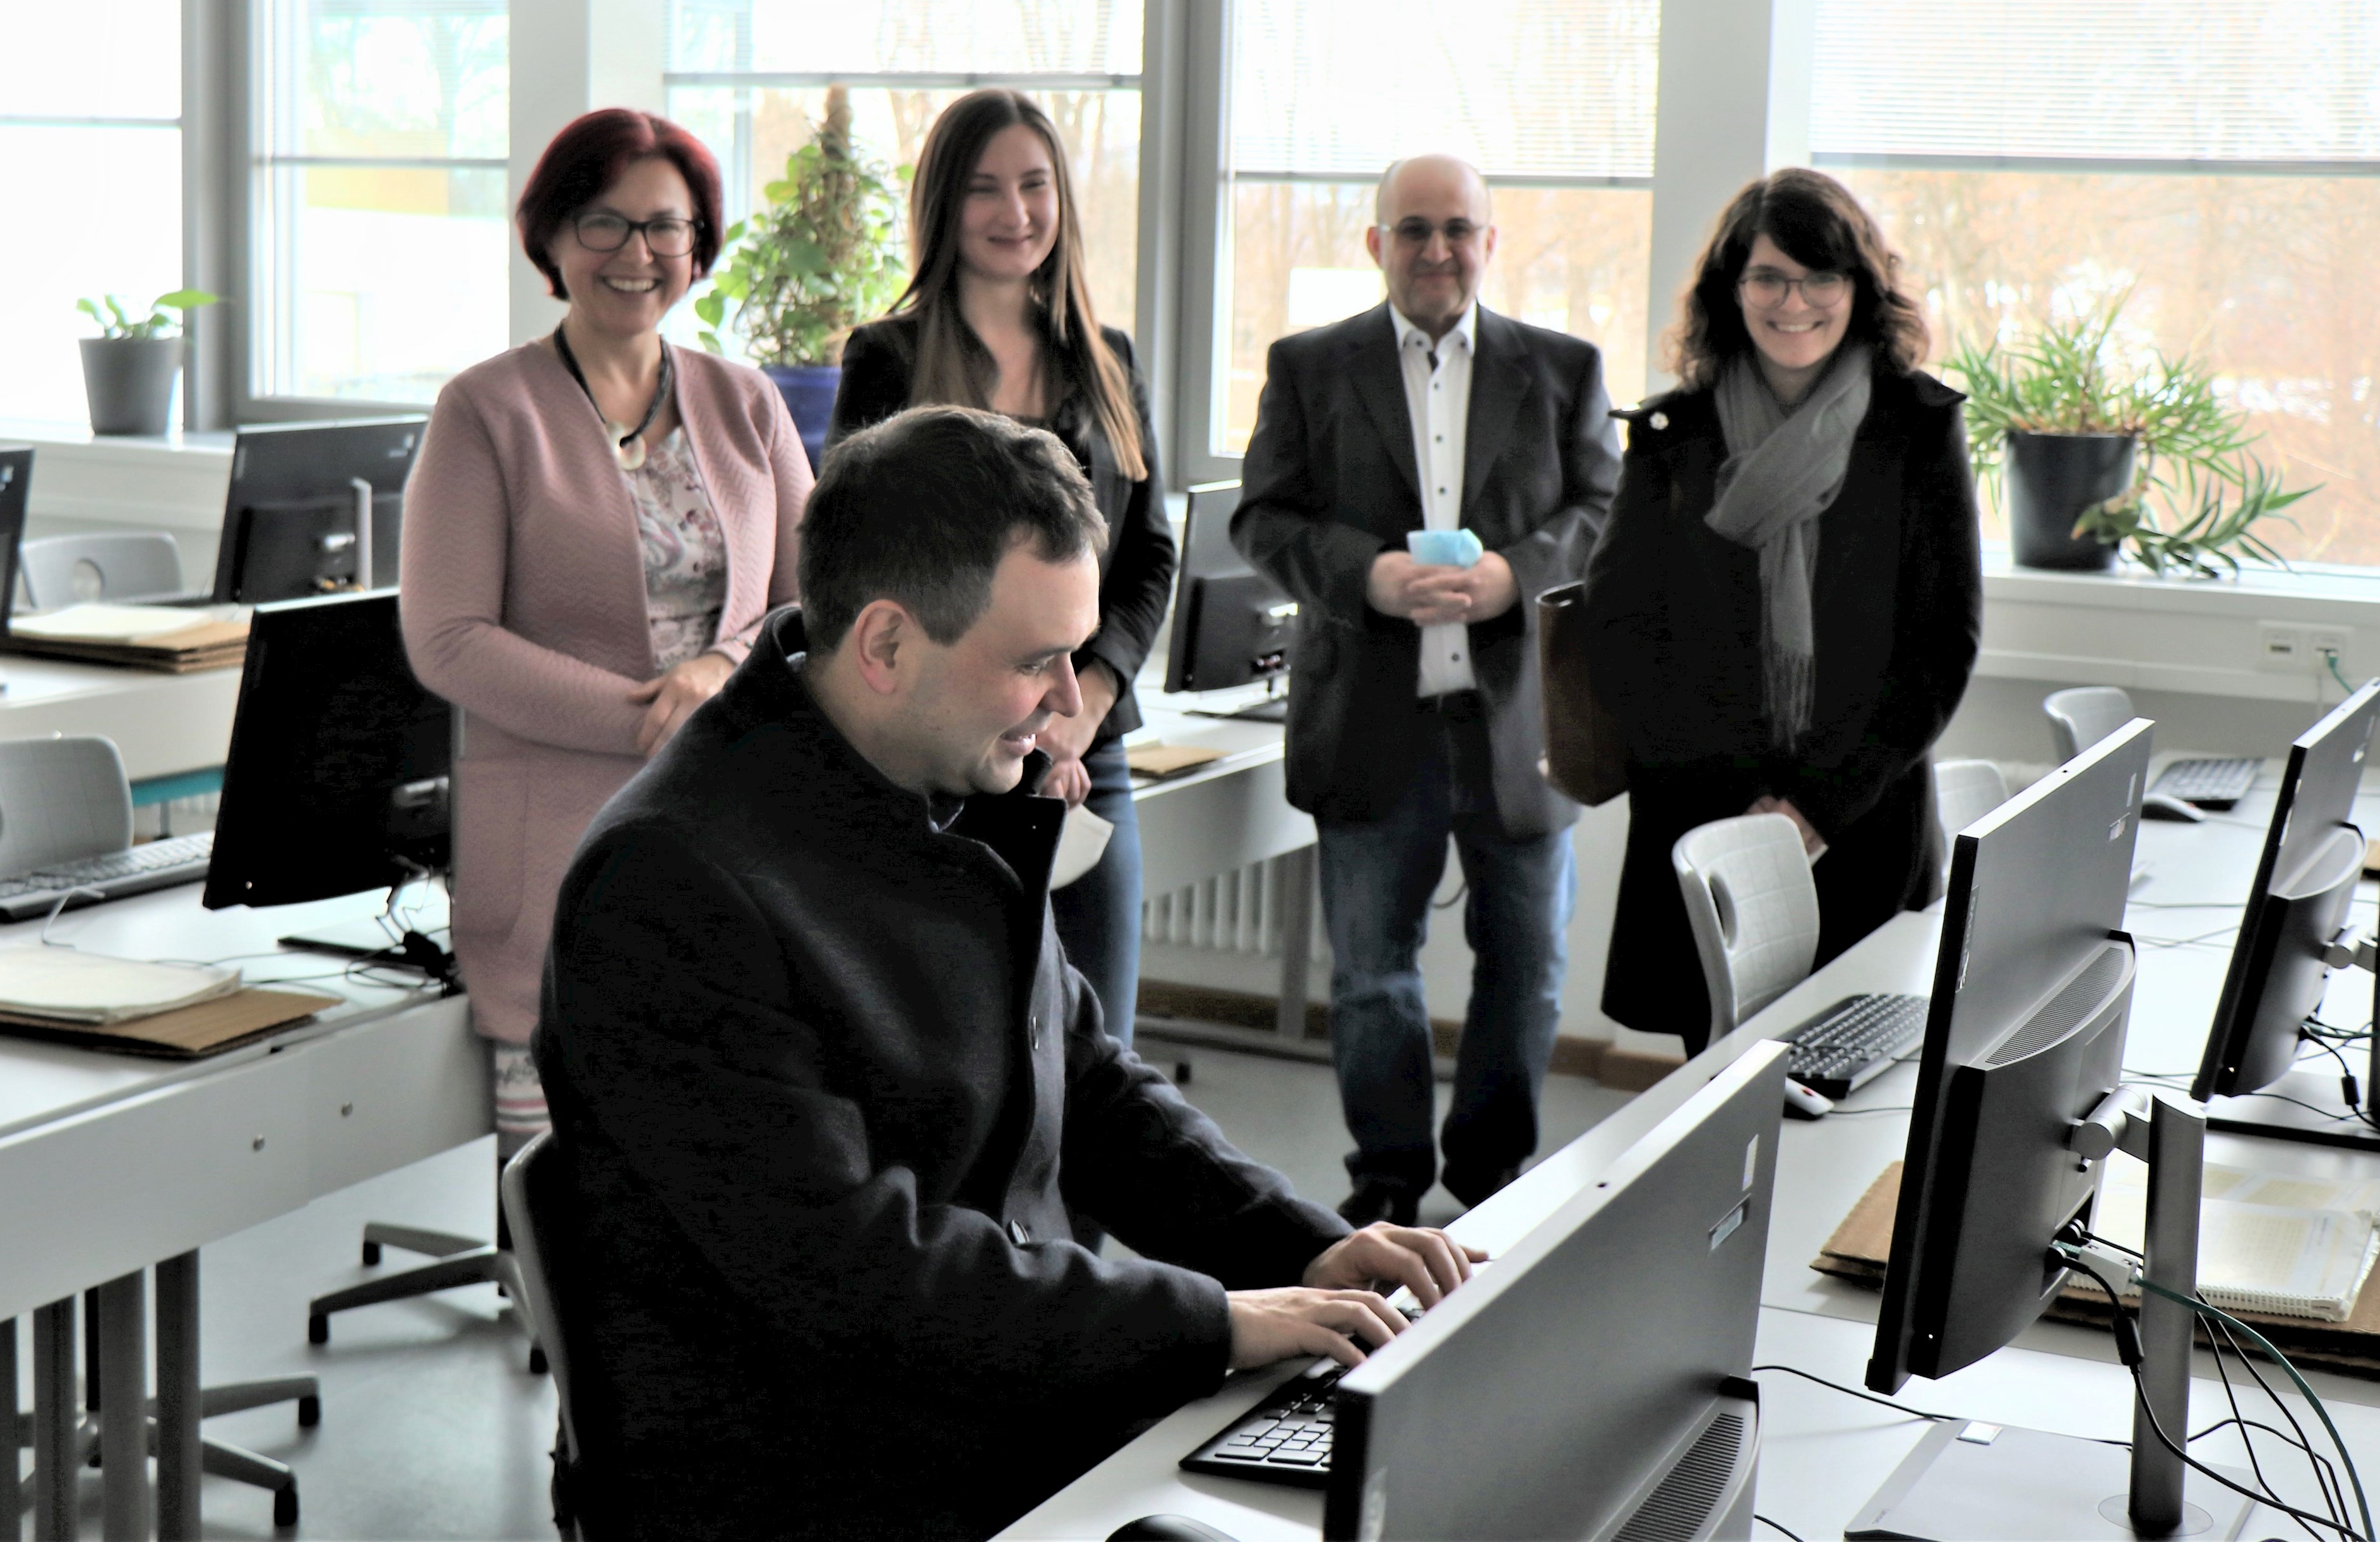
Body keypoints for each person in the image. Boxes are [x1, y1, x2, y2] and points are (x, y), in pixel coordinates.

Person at [533, 406, 1484, 1542]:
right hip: (813, 1472)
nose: (1073, 704)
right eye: (1038, 662)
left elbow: (1082, 1075)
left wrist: (1300, 1244)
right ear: (884, 645)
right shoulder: (672, 884)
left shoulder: (933, 773)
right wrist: (1213, 1322)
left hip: (995, 1391)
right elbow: (855, 1275)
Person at [400, 109, 808, 1151]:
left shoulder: (746, 402)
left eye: (665, 227)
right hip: (554, 852)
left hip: (737, 840)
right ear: (551, 236)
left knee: (722, 1166)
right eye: (604, 223)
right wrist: (650, 723)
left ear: (699, 245)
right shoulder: (485, 410)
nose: (638, 254)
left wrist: (719, 669)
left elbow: (817, 606)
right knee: (566, 1193)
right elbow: (447, 637)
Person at [1232, 155, 1622, 1227]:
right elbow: (1261, 518)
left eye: (1459, 229)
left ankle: (1491, 1185)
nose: (1438, 249)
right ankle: (1388, 1192)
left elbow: (1607, 509)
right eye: (1414, 229)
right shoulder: (1310, 366)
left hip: (1520, 728)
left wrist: (1514, 576)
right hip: (1366, 723)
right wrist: (1367, 574)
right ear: (1375, 244)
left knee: (1530, 972)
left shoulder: (1564, 369)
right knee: (1371, 980)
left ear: (1491, 243)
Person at [1582, 167, 1981, 1058]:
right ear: (1733, 288)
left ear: (1859, 287)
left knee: (1857, 1105)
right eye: (1767, 276)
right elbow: (1620, 633)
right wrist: (1747, 812)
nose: (1792, 300)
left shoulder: (1917, 428)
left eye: (1820, 276)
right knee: (1720, 1101)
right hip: (1706, 828)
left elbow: (1939, 647)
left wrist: (1814, 809)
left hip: (1862, 825)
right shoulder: (1670, 436)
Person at [830, 88, 1170, 1050]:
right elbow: (865, 561)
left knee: (1099, 1042)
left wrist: (1086, 702)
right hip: (940, 753)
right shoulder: (888, 359)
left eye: (1034, 185)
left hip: (1082, 751)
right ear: (945, 204)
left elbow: (1149, 549)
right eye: (984, 189)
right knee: (958, 1042)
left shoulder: (1108, 360)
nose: (1015, 213)